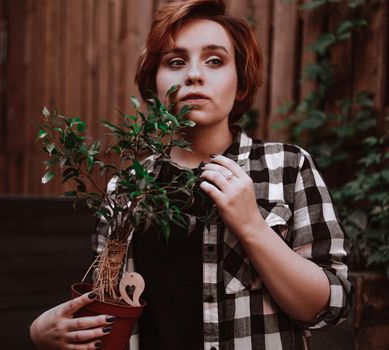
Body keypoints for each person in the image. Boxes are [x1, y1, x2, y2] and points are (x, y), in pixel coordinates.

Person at [29, 0, 353, 349]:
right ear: (154, 86)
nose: (194, 74)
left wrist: (252, 226)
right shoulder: (125, 189)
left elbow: (330, 306)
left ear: (241, 84)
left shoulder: (288, 168)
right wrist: (44, 331)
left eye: (215, 60)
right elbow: (107, 309)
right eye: (175, 61)